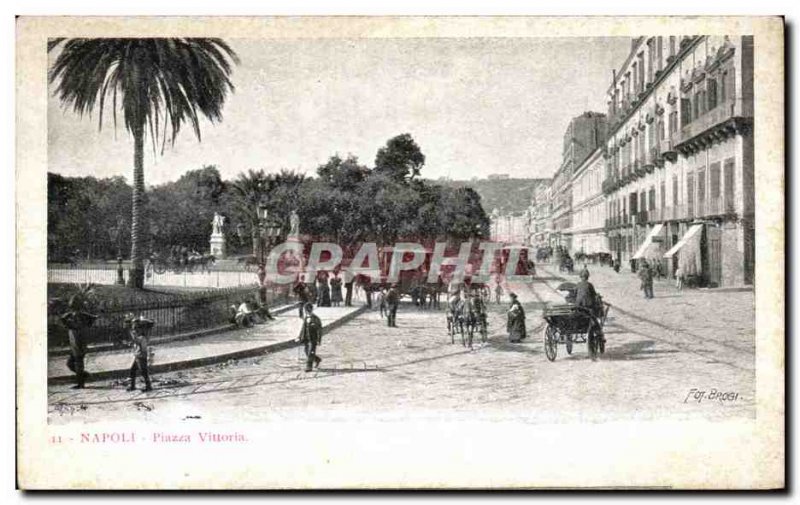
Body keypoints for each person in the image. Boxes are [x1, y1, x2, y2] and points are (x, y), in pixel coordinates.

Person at [59, 295, 97, 389]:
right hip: (75, 344)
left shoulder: (78, 317)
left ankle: (81, 383)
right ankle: (84, 376)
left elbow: (67, 323)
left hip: (79, 344)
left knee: (78, 364)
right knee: (71, 364)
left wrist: (86, 323)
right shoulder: (76, 316)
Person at [126, 314, 155, 392]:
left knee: (143, 372)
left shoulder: (142, 338)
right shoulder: (142, 337)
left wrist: (132, 333)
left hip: (141, 357)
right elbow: (136, 342)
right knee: (133, 371)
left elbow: (136, 341)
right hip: (138, 356)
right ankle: (133, 386)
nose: (134, 329)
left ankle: (148, 386)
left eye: (136, 328)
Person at [297, 303, 323, 372]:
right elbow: (303, 328)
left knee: (310, 352)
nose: (307, 311)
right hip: (306, 338)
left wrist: (319, 340)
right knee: (306, 351)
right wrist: (299, 337)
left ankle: (309, 367)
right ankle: (317, 359)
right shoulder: (306, 318)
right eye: (306, 310)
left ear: (311, 310)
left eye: (309, 310)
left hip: (313, 338)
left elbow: (319, 330)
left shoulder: (316, 319)